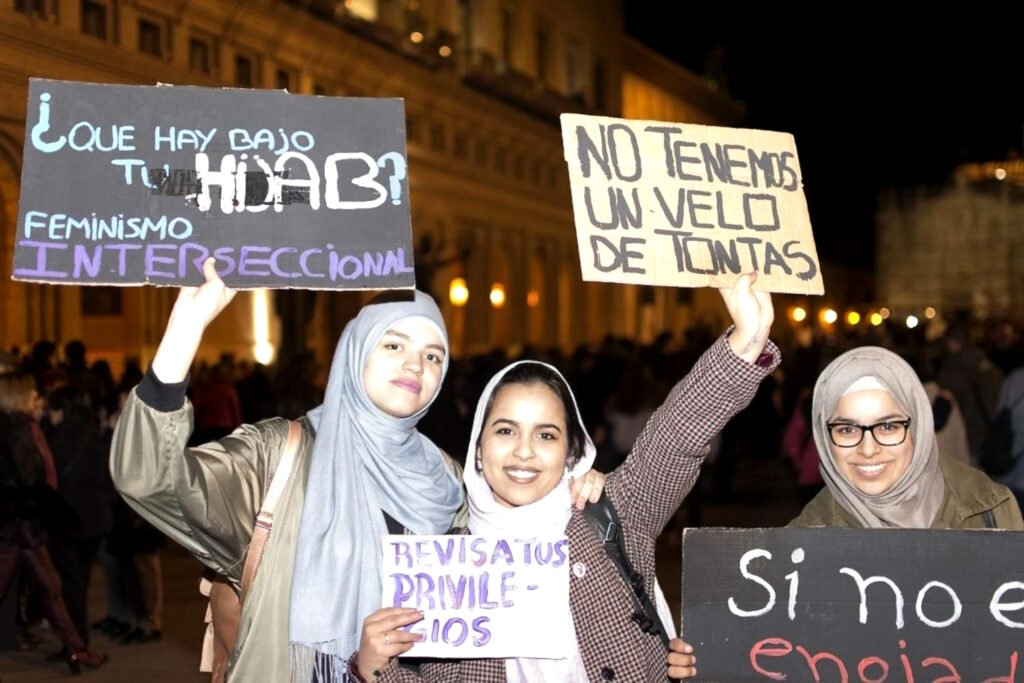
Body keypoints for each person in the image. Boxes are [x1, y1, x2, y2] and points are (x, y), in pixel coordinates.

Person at [110, 258, 601, 682]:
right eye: (393, 346)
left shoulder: (449, 480)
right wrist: (185, 332)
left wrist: (575, 488)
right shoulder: (278, 455)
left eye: (433, 355)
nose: (415, 365)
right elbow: (150, 478)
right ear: (355, 350)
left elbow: (514, 559)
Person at [351, 272, 779, 682]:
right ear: (478, 451)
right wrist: (372, 666)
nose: (524, 450)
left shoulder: (615, 512)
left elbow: (677, 433)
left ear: (571, 451)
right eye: (505, 430)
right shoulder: (445, 568)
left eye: (546, 434)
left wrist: (746, 340)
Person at [789, 346, 1023, 530]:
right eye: (847, 429)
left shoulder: (991, 510)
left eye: (888, 426)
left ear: (917, 429)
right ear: (824, 438)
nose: (868, 449)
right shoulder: (804, 543)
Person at [0, 376, 108, 674]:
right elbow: (28, 476)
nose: (38, 397)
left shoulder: (19, 425)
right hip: (19, 523)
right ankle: (79, 650)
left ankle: (78, 649)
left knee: (52, 587)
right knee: (51, 587)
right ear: (17, 395)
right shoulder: (15, 427)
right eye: (32, 392)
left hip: (21, 525)